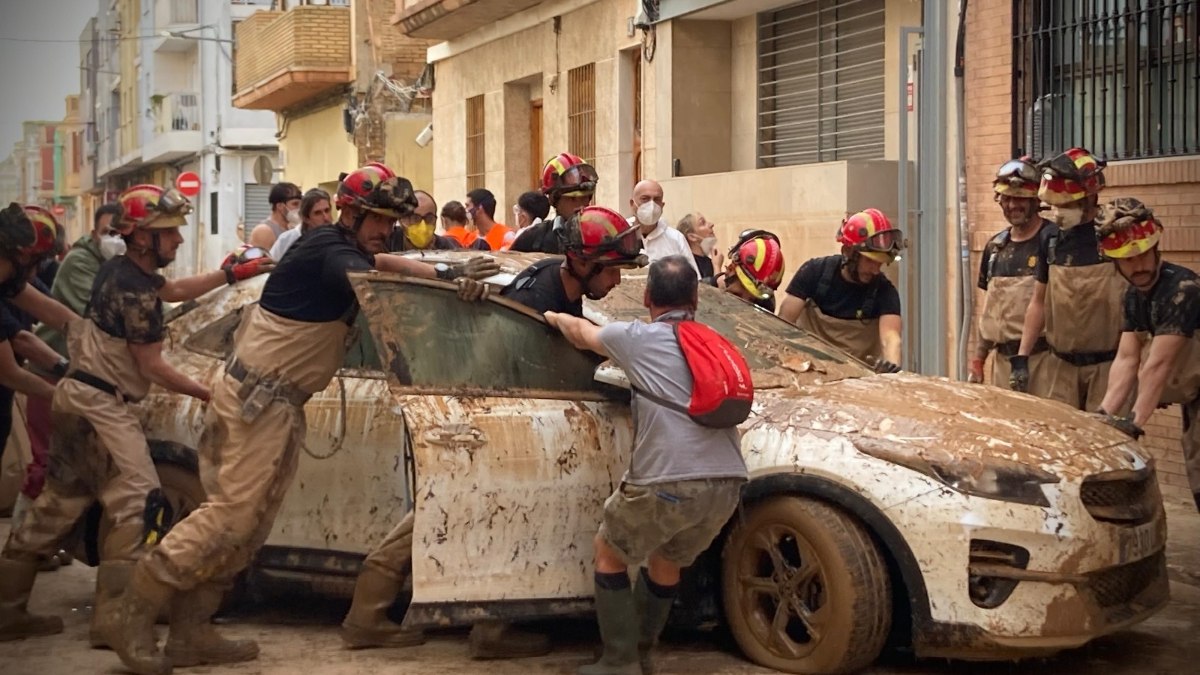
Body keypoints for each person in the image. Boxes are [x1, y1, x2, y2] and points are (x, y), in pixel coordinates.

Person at [101, 164, 499, 675]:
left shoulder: (346, 244)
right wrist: (445, 286)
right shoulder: (330, 250)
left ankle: (190, 633)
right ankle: (130, 612)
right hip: (258, 403)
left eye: (389, 220)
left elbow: (381, 259)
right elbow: (370, 277)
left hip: (275, 404)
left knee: (248, 528)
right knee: (228, 518)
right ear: (350, 213)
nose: (386, 228)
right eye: (377, 218)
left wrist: (447, 271)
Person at [0, 185, 273, 648]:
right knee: (139, 503)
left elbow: (177, 289)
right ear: (143, 238)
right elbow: (153, 367)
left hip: (76, 398)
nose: (179, 241)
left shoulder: (121, 272)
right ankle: (114, 622)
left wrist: (228, 275)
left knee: (59, 501)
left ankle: (7, 611)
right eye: (170, 233)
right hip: (102, 407)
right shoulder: (135, 291)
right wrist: (209, 392)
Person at [545, 255, 747, 675]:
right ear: (695, 298)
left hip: (666, 478)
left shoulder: (636, 337)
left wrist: (549, 315)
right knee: (666, 561)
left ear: (647, 296)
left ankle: (619, 662)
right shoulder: (713, 341)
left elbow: (582, 333)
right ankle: (640, 654)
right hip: (728, 481)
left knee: (610, 551)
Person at [18, 204, 124, 525]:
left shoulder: (14, 282)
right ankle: (20, 545)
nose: (36, 272)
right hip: (48, 374)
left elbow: (58, 316)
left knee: (65, 464)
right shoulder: (80, 263)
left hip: (68, 374)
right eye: (109, 232)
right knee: (46, 461)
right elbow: (89, 319)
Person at [1095, 198, 1200, 510]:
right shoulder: (1134, 295)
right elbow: (1127, 359)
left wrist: (1134, 424)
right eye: (1127, 260)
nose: (1137, 265)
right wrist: (1102, 419)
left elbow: (1158, 365)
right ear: (1114, 261)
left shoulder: (1182, 288)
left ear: (1155, 248)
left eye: (1142, 255)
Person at [1012, 147, 1124, 410]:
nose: (1058, 212)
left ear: (1089, 197)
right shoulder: (1051, 240)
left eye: (1065, 205)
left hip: (1107, 368)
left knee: (1106, 442)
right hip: (1060, 368)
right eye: (1054, 206)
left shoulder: (1112, 235)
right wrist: (1022, 357)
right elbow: (1038, 302)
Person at [969, 158, 1058, 391]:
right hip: (1002, 365)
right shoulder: (995, 248)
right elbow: (989, 311)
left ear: (1035, 200)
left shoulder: (1053, 241)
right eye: (1007, 198)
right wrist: (979, 358)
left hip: (1043, 362)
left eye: (1019, 198)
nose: (1012, 205)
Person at [778, 210, 904, 371]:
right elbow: (783, 323)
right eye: (869, 261)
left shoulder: (884, 291)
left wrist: (892, 369)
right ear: (848, 252)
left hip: (856, 378)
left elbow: (891, 338)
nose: (875, 270)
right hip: (809, 372)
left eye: (880, 263)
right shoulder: (814, 272)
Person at [501, 205, 647, 317]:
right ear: (581, 263)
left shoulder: (568, 289)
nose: (618, 280)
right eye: (611, 270)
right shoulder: (531, 305)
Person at [510, 153, 599, 254]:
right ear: (553, 200)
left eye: (585, 198)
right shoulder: (533, 238)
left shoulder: (602, 236)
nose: (581, 206)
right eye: (572, 199)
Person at [628, 180, 697, 275]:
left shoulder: (676, 238)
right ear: (632, 204)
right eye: (645, 199)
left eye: (656, 199)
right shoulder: (620, 235)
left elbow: (693, 279)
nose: (651, 205)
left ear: (662, 205)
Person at [712, 230, 785, 313]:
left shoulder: (765, 304)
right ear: (730, 269)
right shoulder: (701, 293)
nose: (742, 308)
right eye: (736, 296)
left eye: (752, 301)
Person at [386, 190, 464, 252]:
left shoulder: (450, 248)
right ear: (402, 219)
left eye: (429, 218)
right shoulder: (386, 243)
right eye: (415, 218)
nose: (423, 226)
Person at [269, 188, 333, 261]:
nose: (326, 217)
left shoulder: (339, 237)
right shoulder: (287, 240)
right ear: (306, 218)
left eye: (327, 210)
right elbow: (272, 267)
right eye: (318, 213)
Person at [247, 182, 302, 250]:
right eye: (295, 204)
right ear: (279, 206)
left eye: (301, 204)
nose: (299, 208)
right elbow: (259, 260)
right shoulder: (264, 231)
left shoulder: (292, 228)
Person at [676, 212, 723, 281]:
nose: (711, 224)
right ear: (692, 237)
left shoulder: (709, 261)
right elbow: (708, 291)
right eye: (703, 223)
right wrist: (717, 267)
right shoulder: (688, 267)